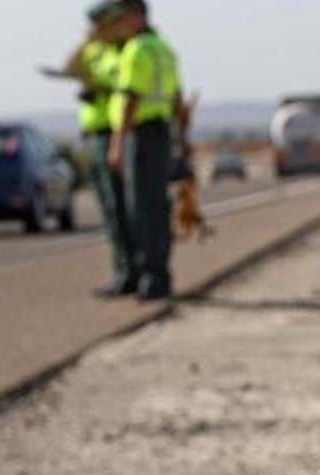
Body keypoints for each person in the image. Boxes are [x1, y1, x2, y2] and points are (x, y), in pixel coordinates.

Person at [48, 1, 136, 298]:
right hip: (95, 135)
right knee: (111, 210)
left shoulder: (121, 52)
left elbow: (124, 90)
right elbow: (69, 68)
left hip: (112, 134)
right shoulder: (95, 50)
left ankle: (130, 273)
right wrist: (88, 40)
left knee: (121, 207)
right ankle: (123, 271)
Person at [108, 0, 188, 300]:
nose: (120, 24)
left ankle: (150, 277)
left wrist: (117, 144)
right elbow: (178, 99)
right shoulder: (164, 49)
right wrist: (180, 139)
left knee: (140, 208)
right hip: (162, 133)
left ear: (136, 16)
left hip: (140, 136)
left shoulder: (137, 50)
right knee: (157, 206)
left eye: (123, 17)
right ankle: (160, 274)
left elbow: (130, 98)